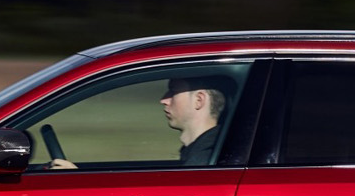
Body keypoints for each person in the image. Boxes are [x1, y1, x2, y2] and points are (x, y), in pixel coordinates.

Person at [44, 71, 233, 169]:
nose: (164, 100)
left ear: (199, 100)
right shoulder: (204, 152)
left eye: (173, 91)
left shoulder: (203, 159)